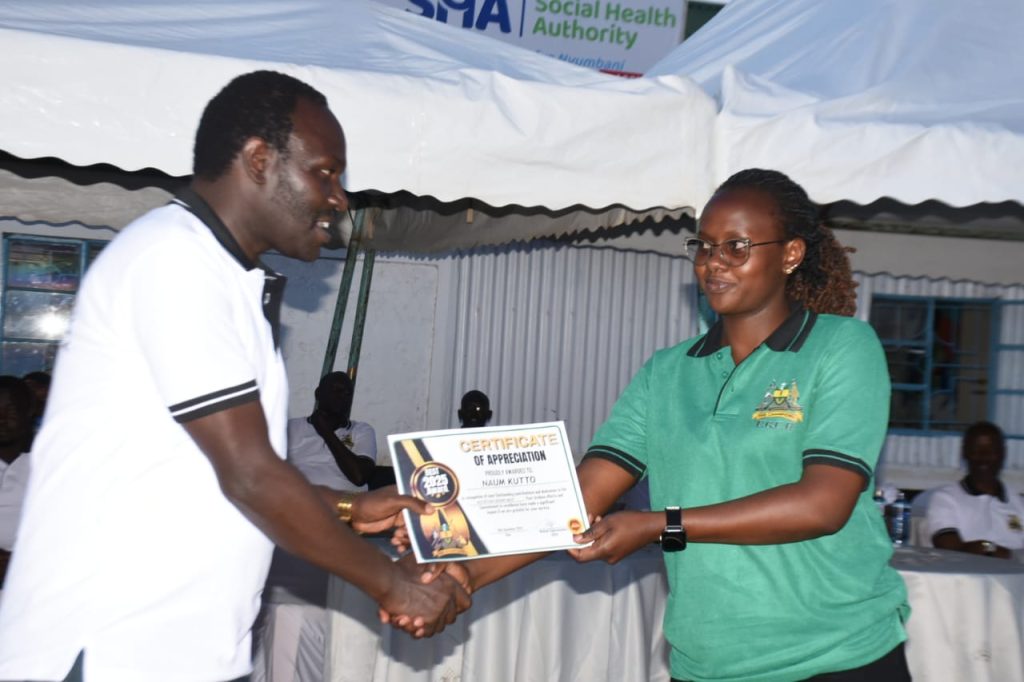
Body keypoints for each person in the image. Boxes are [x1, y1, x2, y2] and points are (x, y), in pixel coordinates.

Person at [0, 71, 468, 682]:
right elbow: (251, 476)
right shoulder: (174, 261)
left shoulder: (225, 279)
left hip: (179, 653)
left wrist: (352, 507)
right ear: (258, 160)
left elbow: (215, 478)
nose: (339, 199)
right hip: (109, 647)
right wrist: (395, 585)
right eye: (325, 173)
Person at [424, 169, 911, 680]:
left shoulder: (842, 347)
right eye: (704, 246)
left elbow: (822, 505)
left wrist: (662, 525)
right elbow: (580, 496)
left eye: (736, 247)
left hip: (836, 656)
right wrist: (464, 573)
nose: (713, 262)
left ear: (790, 254)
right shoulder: (667, 372)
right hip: (708, 663)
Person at [926, 421, 1024, 558]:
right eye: (976, 450)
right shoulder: (946, 498)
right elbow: (949, 548)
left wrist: (990, 549)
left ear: (1003, 453)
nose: (983, 457)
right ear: (964, 453)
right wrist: (994, 549)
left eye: (991, 450)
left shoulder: (1018, 502)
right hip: (968, 572)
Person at [288, 371, 377, 491]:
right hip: (296, 497)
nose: (343, 397)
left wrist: (327, 432)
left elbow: (359, 477)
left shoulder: (361, 430)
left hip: (344, 500)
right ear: (318, 394)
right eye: (337, 391)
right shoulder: (291, 427)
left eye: (348, 393)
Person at [0, 375, 34, 589]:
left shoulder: (45, 468)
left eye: (11, 410)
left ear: (28, 413)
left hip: (31, 582)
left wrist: (19, 562)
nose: (1, 419)